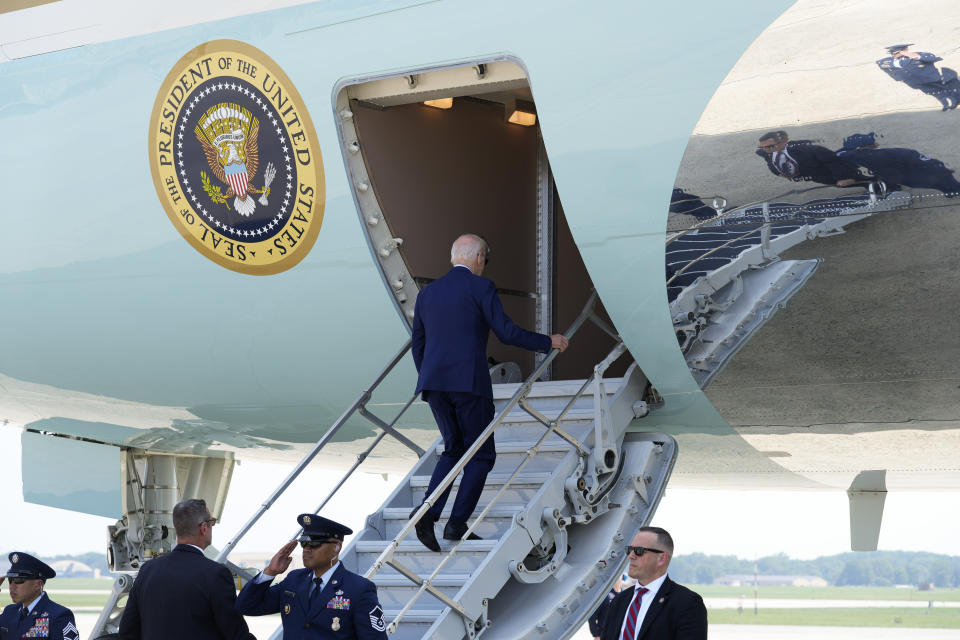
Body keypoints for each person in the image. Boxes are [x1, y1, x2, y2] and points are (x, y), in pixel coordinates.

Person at [409, 233, 569, 551]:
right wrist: (546, 341)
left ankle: (427, 513)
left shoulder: (428, 293)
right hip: (469, 384)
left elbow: (419, 344)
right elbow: (506, 332)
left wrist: (430, 377)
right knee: (481, 454)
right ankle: (455, 524)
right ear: (479, 258)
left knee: (454, 450)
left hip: (434, 384)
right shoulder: (481, 286)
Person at [118, 499, 255, 640]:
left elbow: (127, 631)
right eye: (211, 522)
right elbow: (236, 634)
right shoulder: (215, 574)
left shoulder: (147, 570)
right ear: (203, 528)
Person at [235, 514, 387, 640]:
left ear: (336, 548)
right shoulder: (294, 580)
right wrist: (270, 571)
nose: (307, 549)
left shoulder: (358, 588)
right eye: (304, 543)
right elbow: (246, 606)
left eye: (314, 543)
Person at [598, 527, 706, 640]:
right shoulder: (619, 601)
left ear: (662, 559)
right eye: (629, 549)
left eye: (639, 551)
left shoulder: (687, 603)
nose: (631, 556)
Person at [837, 132, 960, 196]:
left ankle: (951, 189)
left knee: (937, 180)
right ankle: (948, 190)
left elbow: (915, 158)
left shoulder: (872, 156)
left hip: (915, 168)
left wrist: (939, 167)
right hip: (903, 171)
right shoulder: (860, 155)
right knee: (926, 182)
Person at [0, 552, 79, 640]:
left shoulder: (58, 616)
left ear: (38, 584)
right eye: (10, 580)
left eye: (18, 580)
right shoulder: (9, 612)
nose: (12, 586)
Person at [755, 130, 867, 188]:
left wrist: (845, 177)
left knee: (849, 165)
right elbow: (770, 163)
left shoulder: (802, 148)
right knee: (838, 182)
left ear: (784, 142)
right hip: (815, 176)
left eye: (770, 146)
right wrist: (778, 173)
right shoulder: (766, 153)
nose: (766, 149)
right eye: (763, 147)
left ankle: (861, 146)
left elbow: (830, 159)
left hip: (826, 169)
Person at [877, 44, 960, 111]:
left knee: (947, 88)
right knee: (935, 92)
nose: (894, 55)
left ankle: (957, 100)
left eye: (895, 53)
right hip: (915, 82)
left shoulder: (916, 55)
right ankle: (946, 103)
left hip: (931, 77)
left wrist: (912, 55)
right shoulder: (885, 61)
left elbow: (934, 58)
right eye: (893, 53)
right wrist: (897, 78)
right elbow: (885, 68)